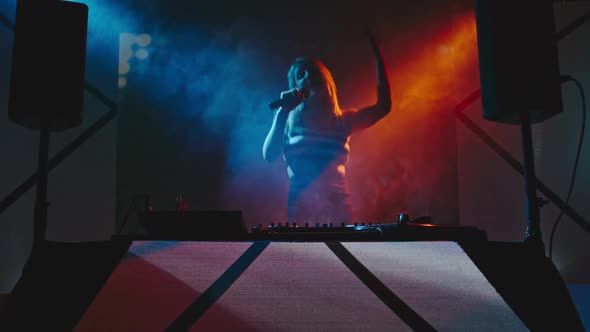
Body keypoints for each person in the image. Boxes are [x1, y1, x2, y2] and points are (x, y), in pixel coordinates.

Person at [262, 32, 392, 226]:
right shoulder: (287, 121)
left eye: (312, 71)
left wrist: (378, 56)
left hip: (338, 213)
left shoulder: (343, 121)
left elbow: (383, 107)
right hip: (301, 215)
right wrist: (282, 112)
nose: (307, 76)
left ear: (325, 79)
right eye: (301, 74)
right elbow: (269, 155)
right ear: (295, 86)